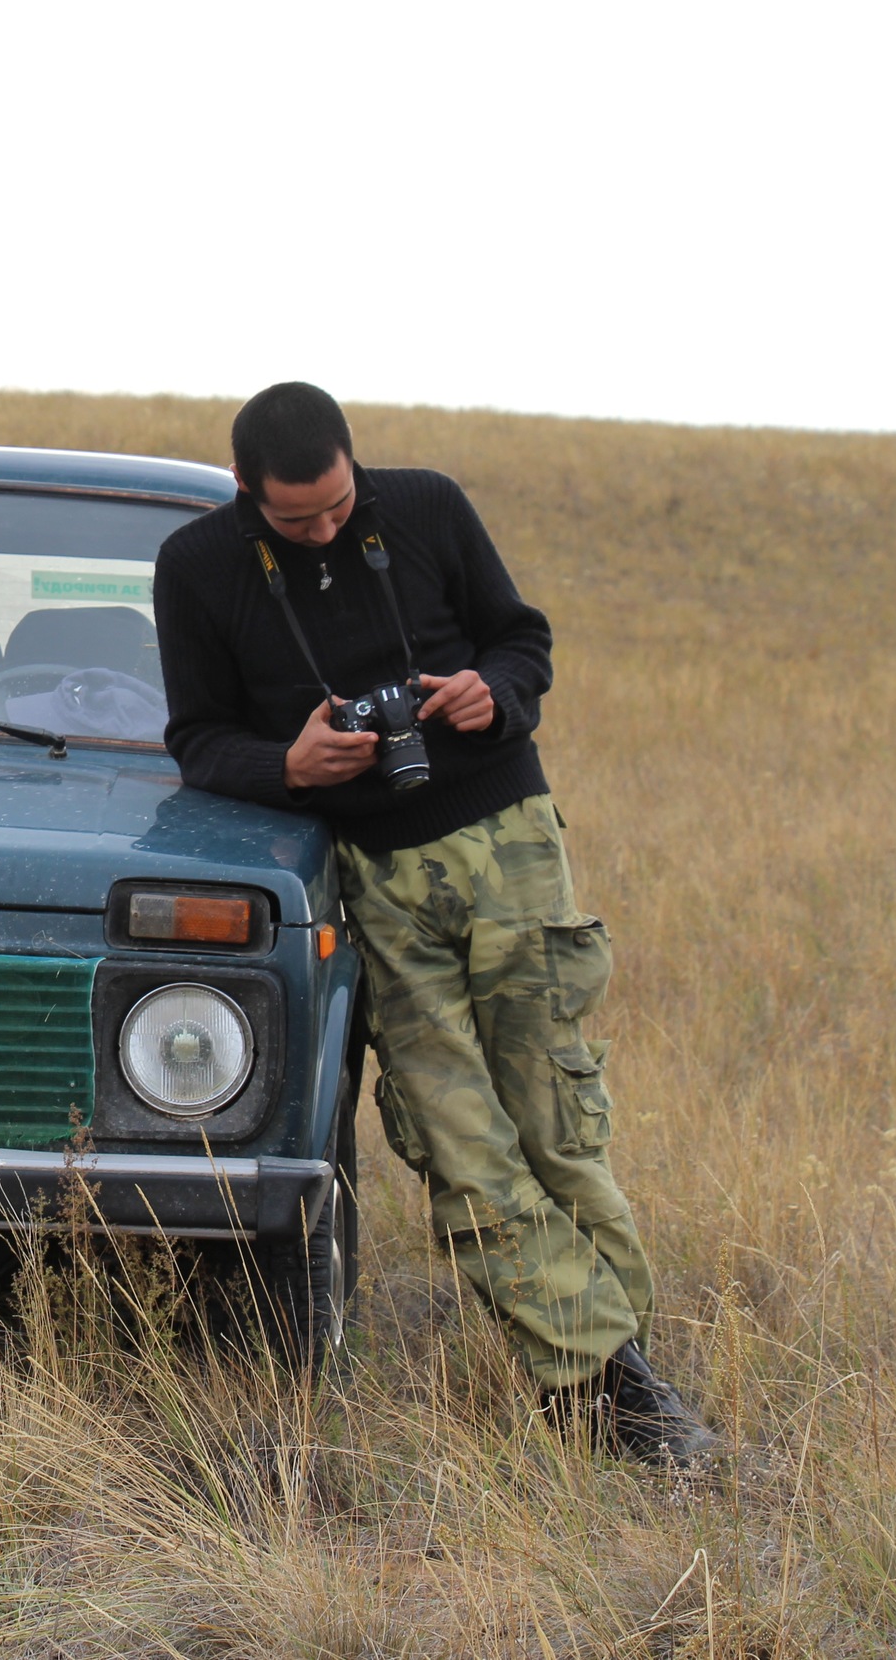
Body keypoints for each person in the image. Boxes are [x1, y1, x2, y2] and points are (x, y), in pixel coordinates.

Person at [151, 382, 715, 1463]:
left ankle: (611, 1357)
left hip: (506, 840)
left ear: (357, 463)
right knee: (458, 1135)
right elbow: (198, 739)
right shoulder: (198, 566)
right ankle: (609, 1384)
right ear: (242, 492)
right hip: (368, 873)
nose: (324, 528)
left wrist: (487, 694)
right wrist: (288, 765)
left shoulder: (427, 505)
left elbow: (522, 640)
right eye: (295, 518)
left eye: (336, 506)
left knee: (554, 1116)